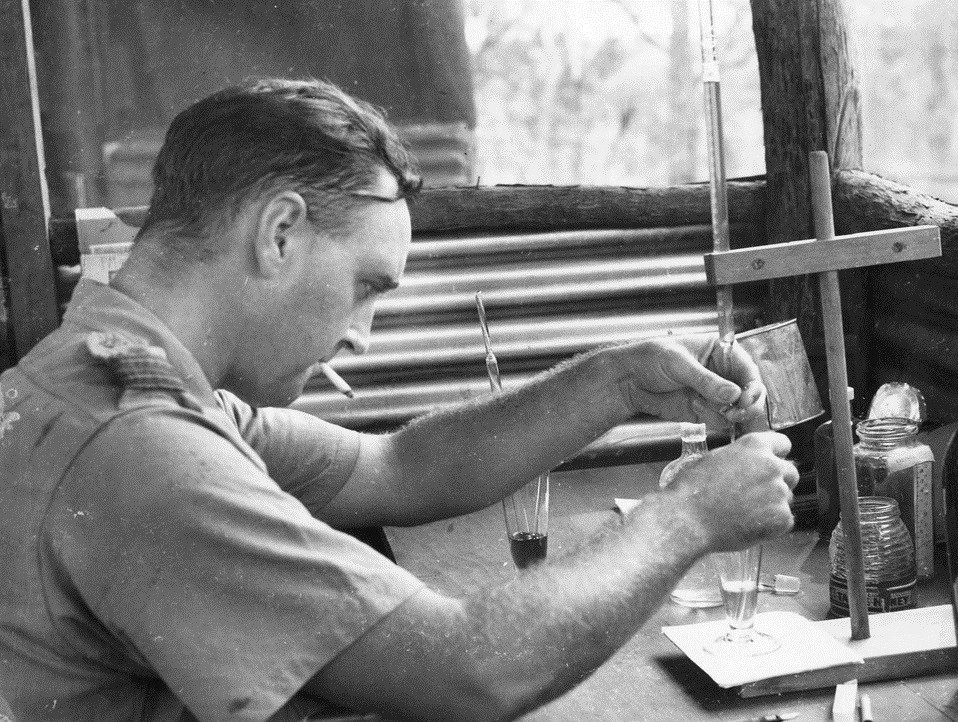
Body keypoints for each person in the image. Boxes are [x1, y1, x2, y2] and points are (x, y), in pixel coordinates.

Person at [0, 78, 798, 721]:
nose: (362, 336)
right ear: (279, 233)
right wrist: (687, 517)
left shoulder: (113, 373)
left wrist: (621, 378)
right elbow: (470, 673)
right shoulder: (142, 449)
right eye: (365, 287)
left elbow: (400, 465)